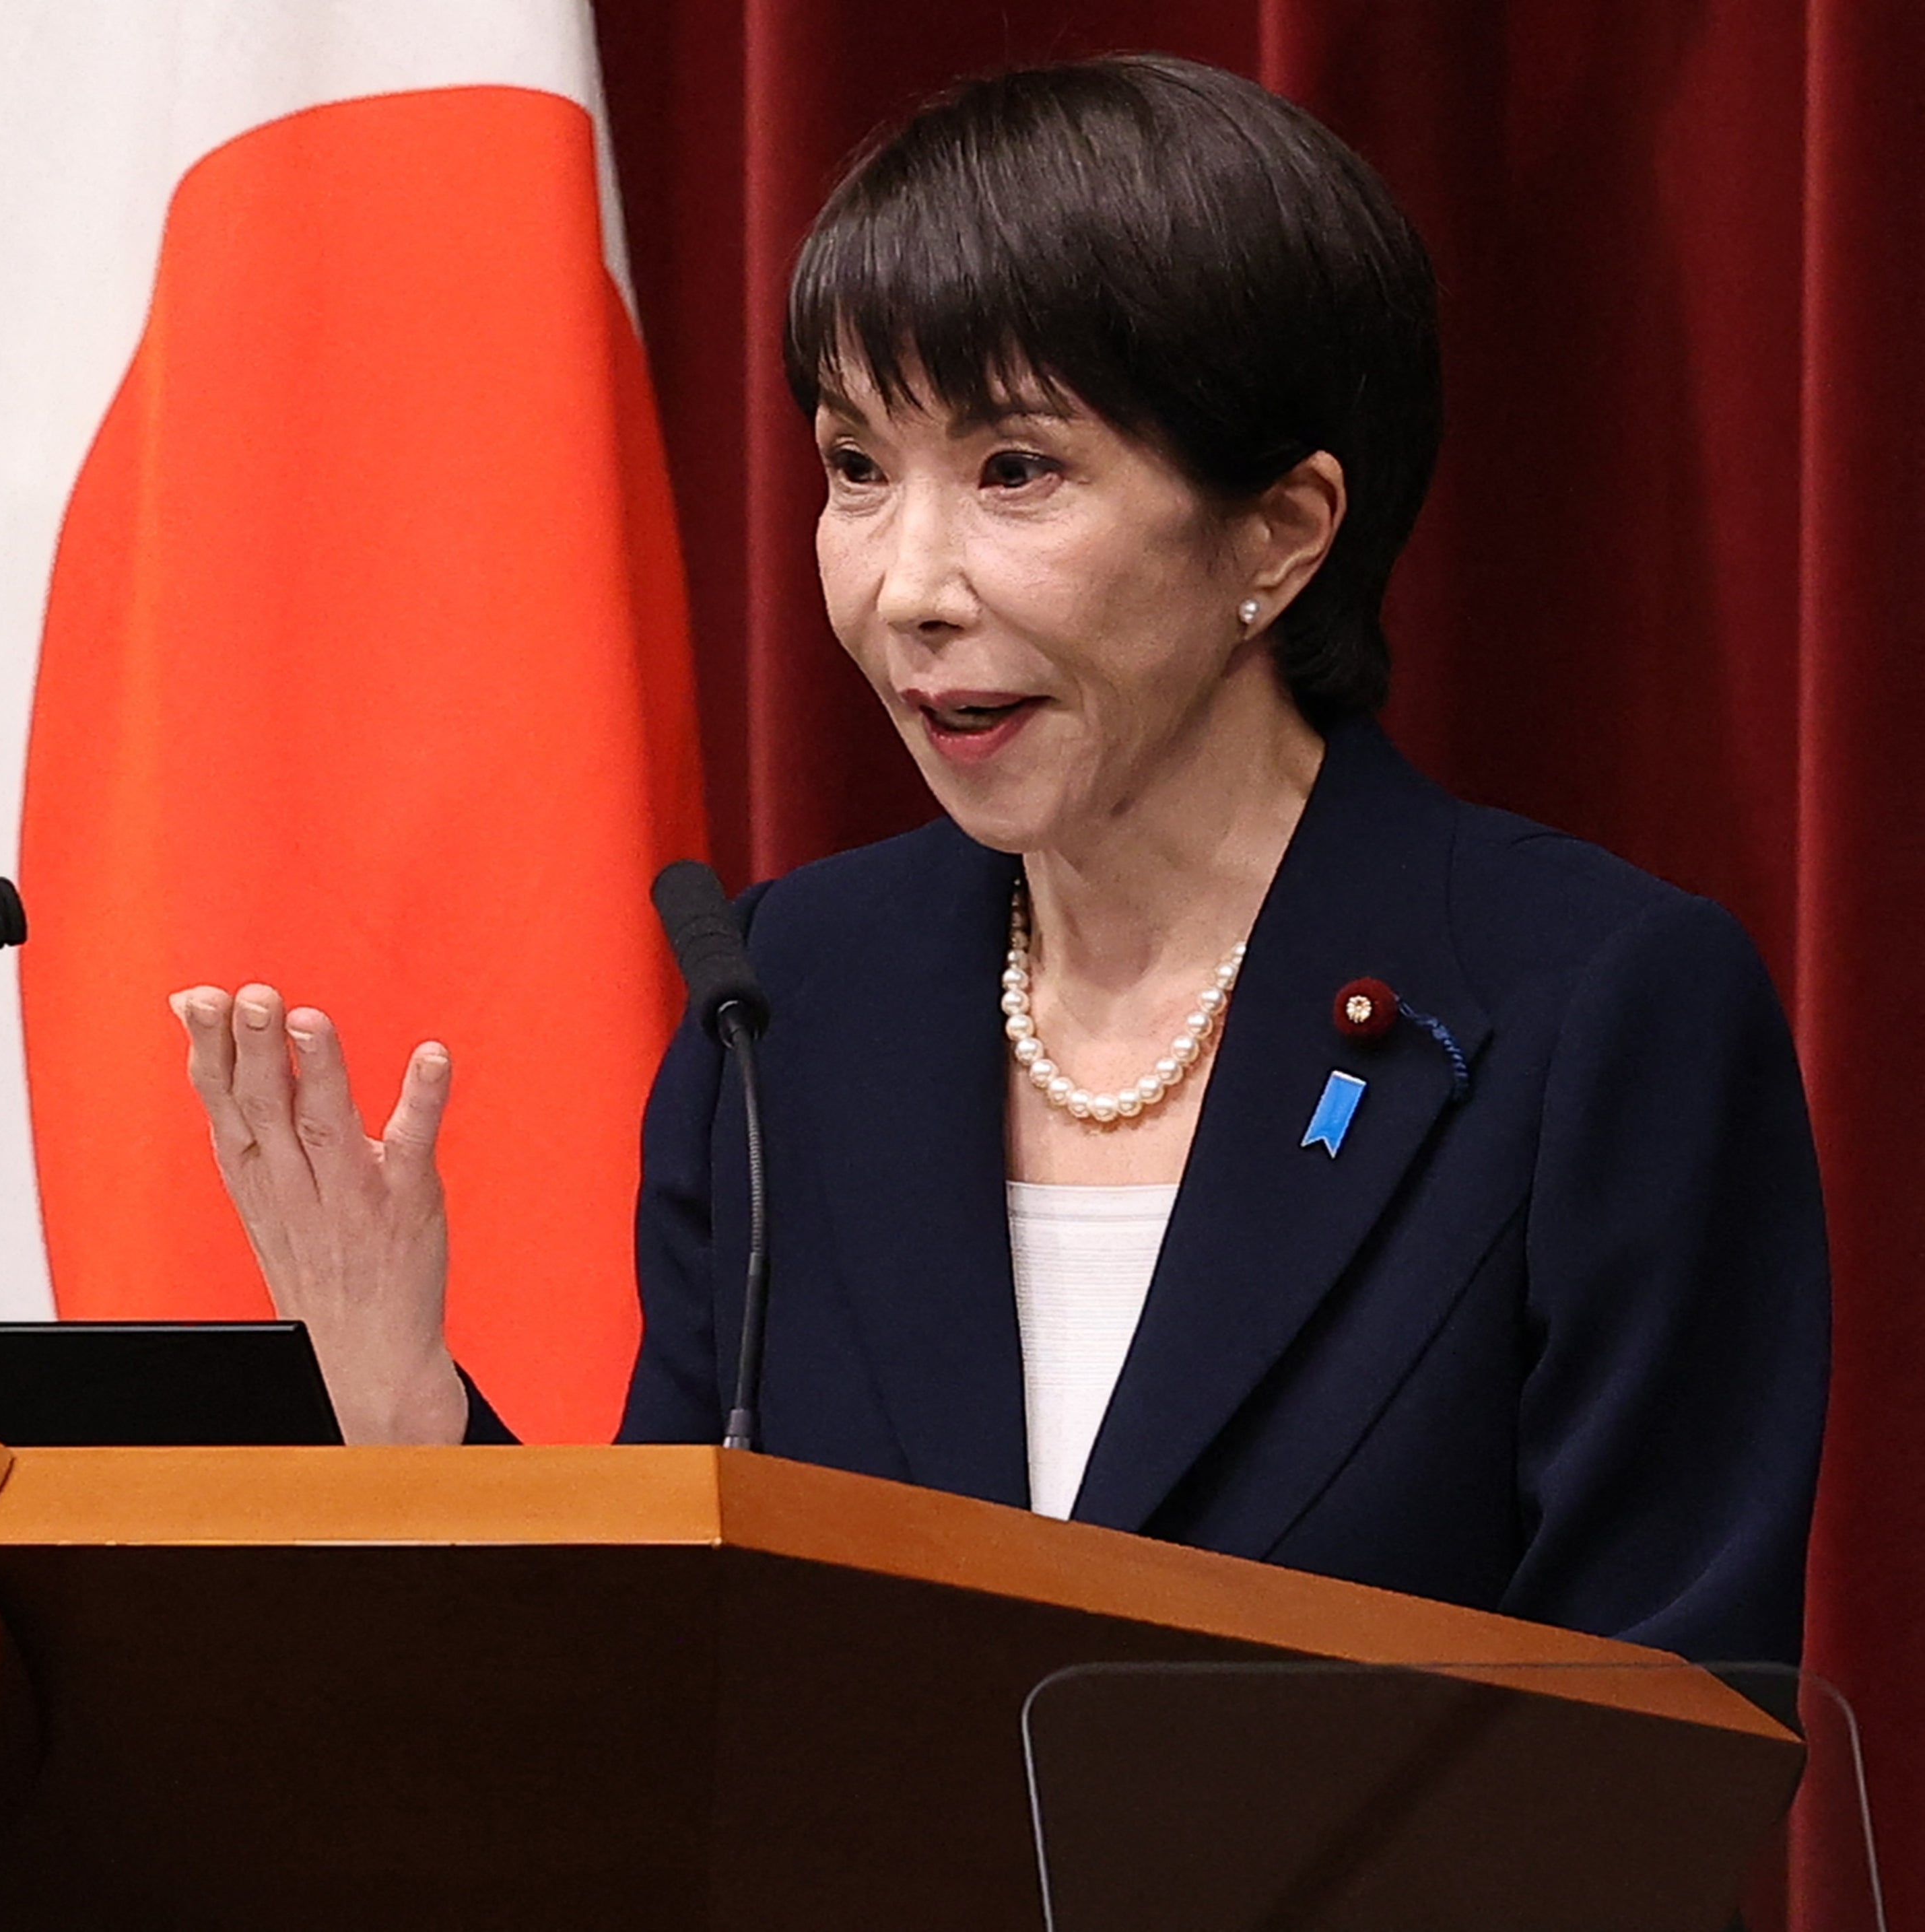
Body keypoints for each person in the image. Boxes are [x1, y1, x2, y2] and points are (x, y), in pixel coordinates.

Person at [168, 55, 1826, 1665]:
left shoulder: (1585, 1012)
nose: (906, 588)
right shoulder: (789, 1004)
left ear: (1279, 530)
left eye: (1013, 471)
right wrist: (401, 1410)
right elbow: (667, 1707)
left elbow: (1661, 1758)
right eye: (853, 470)